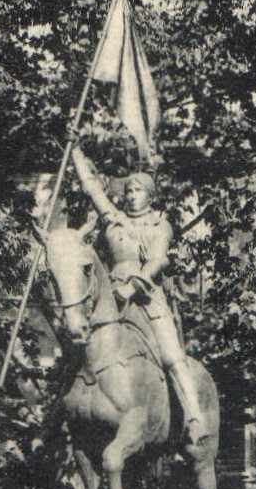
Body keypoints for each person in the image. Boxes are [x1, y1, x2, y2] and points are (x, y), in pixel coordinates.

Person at [70, 145, 209, 448]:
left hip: (146, 298)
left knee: (172, 356)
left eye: (138, 191)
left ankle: (195, 417)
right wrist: (75, 153)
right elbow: (93, 188)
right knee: (80, 347)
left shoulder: (160, 224)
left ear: (150, 195)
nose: (132, 195)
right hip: (110, 299)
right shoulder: (115, 220)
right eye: (129, 191)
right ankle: (57, 419)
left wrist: (132, 288)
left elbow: (157, 261)